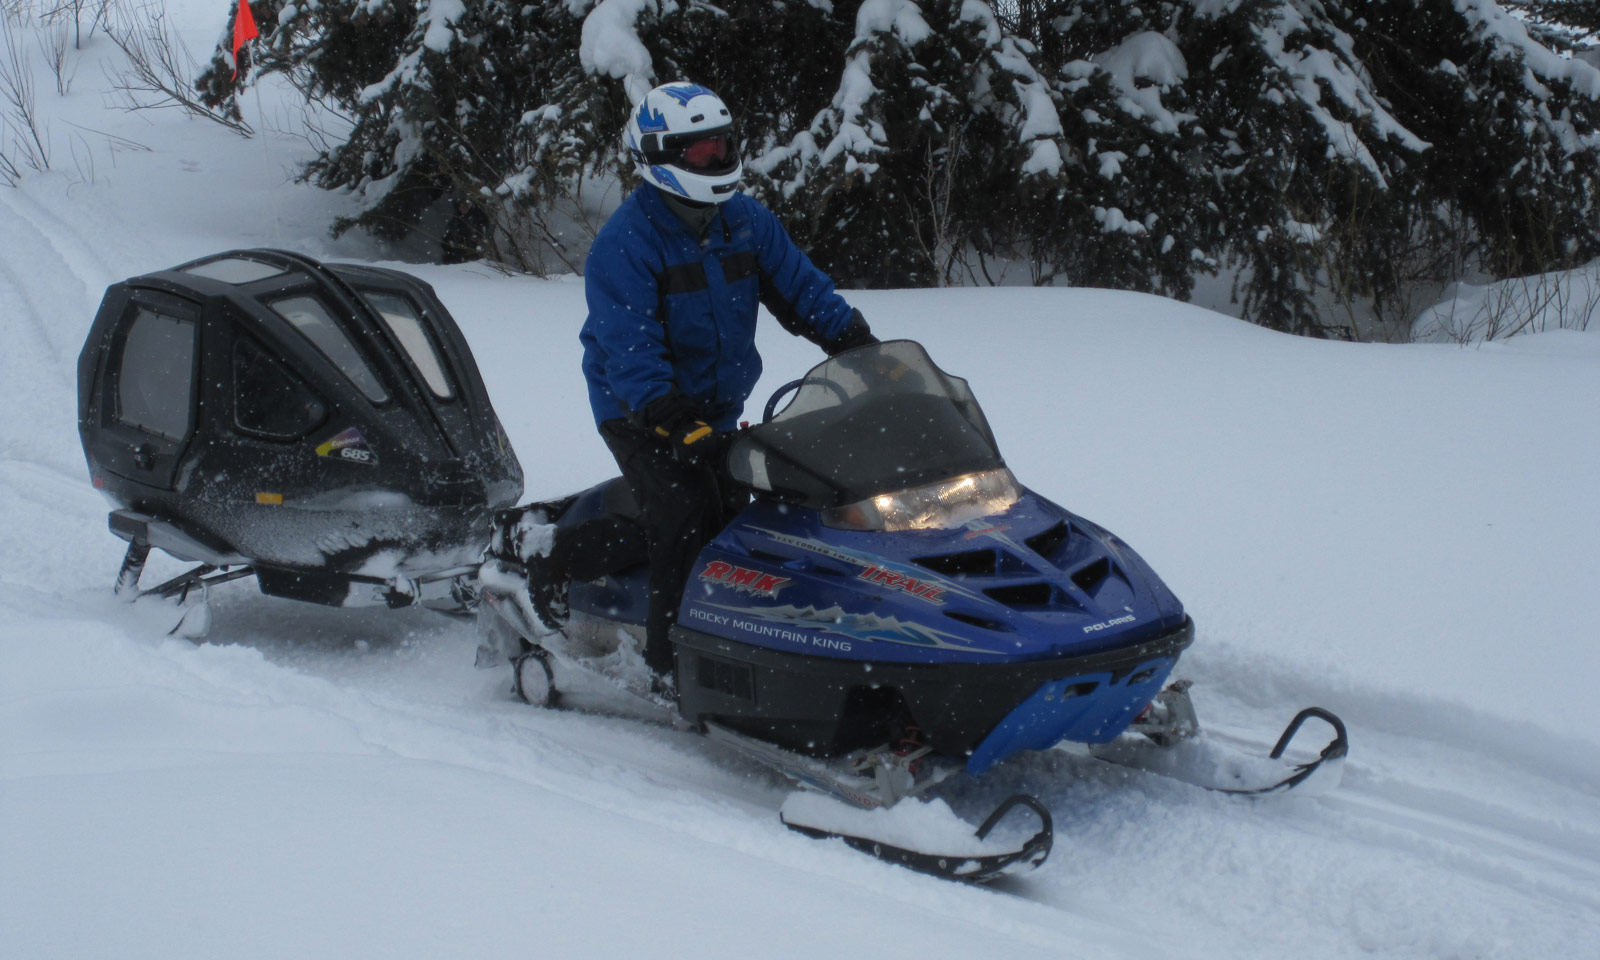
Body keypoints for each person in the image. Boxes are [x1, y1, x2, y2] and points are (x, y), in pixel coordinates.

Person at [559, 80, 878, 689]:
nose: (717, 160)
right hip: (637, 407)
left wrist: (862, 349)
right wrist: (672, 420)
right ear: (659, 157)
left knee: (749, 514)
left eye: (722, 146)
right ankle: (669, 663)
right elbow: (629, 351)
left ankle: (756, 639)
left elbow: (805, 293)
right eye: (700, 152)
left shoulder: (746, 221)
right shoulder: (625, 244)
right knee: (687, 511)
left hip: (715, 406)